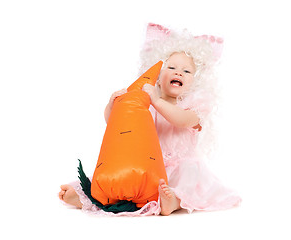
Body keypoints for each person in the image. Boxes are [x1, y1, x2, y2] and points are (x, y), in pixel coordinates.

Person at [59, 24, 241, 216]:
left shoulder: (193, 105)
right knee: (115, 179)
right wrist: (113, 105)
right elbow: (116, 124)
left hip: (180, 168)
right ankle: (84, 198)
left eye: (187, 72)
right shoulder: (147, 100)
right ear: (159, 75)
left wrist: (156, 101)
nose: (178, 72)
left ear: (195, 81)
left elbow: (182, 120)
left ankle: (173, 202)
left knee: (185, 186)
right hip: (144, 165)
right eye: (171, 67)